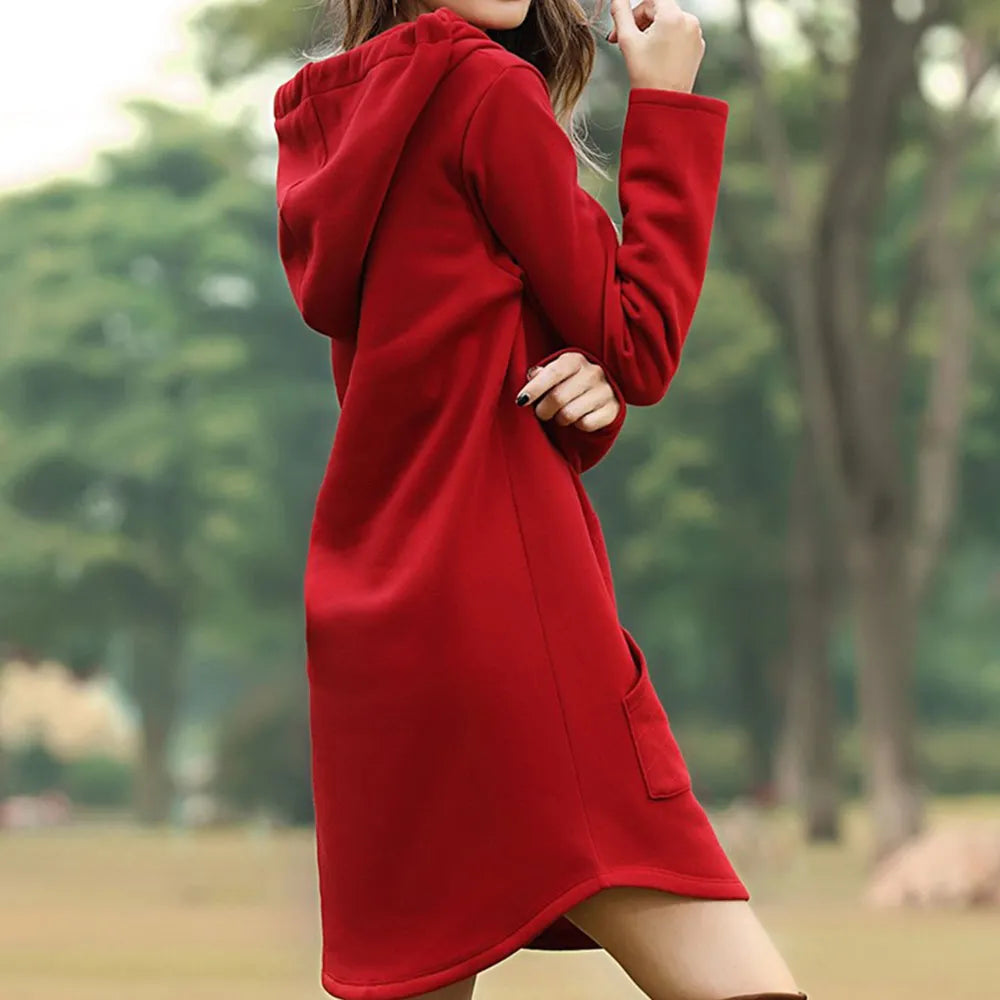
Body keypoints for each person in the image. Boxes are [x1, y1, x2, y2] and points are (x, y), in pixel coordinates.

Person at [273, 1, 806, 998]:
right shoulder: (482, 88)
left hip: (372, 623)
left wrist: (579, 390)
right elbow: (639, 340)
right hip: (511, 611)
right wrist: (668, 101)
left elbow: (439, 382)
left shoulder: (332, 127)